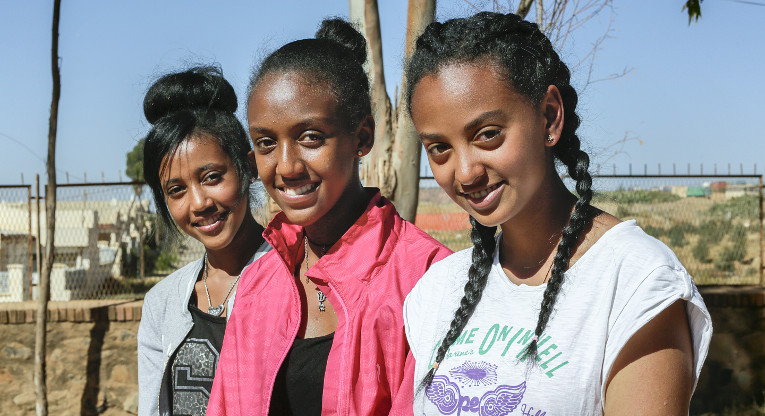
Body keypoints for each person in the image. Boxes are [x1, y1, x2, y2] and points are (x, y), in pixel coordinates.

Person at [402, 12, 712, 415]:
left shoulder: (635, 282)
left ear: (549, 116)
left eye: (488, 134)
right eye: (439, 148)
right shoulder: (436, 294)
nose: (465, 171)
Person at [206, 18, 451, 416]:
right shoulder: (255, 286)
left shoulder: (427, 277)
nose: (285, 166)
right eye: (266, 143)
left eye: (310, 137)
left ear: (362, 138)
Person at [136, 66, 270, 416]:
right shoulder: (162, 304)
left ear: (248, 167)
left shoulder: (296, 277)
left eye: (212, 177)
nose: (199, 203)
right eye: (176, 190)